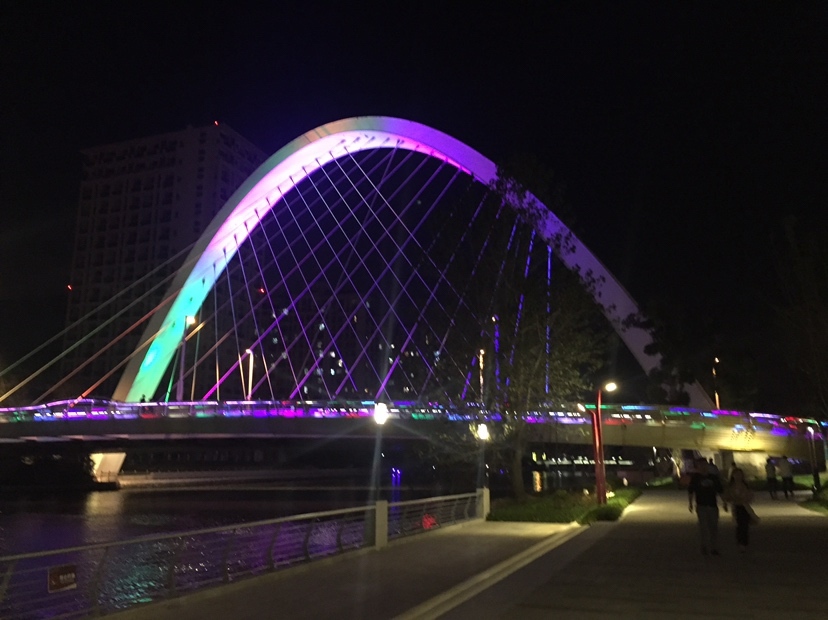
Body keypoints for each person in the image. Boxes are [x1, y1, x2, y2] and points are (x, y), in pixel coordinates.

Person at [688, 457, 727, 555]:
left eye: (704, 465)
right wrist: (690, 503)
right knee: (703, 527)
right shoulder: (696, 478)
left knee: (713, 527)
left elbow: (720, 491)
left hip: (712, 505)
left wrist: (724, 502)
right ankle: (704, 546)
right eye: (700, 465)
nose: (703, 467)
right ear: (698, 467)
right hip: (701, 506)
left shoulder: (713, 478)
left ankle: (714, 547)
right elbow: (691, 491)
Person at [724, 467, 755, 553]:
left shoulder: (745, 485)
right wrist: (726, 503)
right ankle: (740, 543)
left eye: (740, 474)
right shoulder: (731, 486)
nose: (738, 476)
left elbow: (750, 495)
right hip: (736, 507)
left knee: (745, 526)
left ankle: (744, 543)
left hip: (745, 507)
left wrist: (747, 498)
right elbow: (727, 496)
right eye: (736, 474)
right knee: (739, 525)